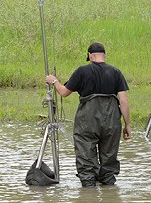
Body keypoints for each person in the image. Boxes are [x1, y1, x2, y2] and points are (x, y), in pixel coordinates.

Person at [45, 41, 131, 187]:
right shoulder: (116, 72)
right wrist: (127, 124)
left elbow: (64, 93)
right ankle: (109, 189)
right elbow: (123, 101)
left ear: (90, 56)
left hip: (87, 121)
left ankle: (88, 191)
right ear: (105, 55)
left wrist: (54, 81)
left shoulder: (82, 71)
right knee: (109, 159)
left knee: (86, 156)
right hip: (111, 121)